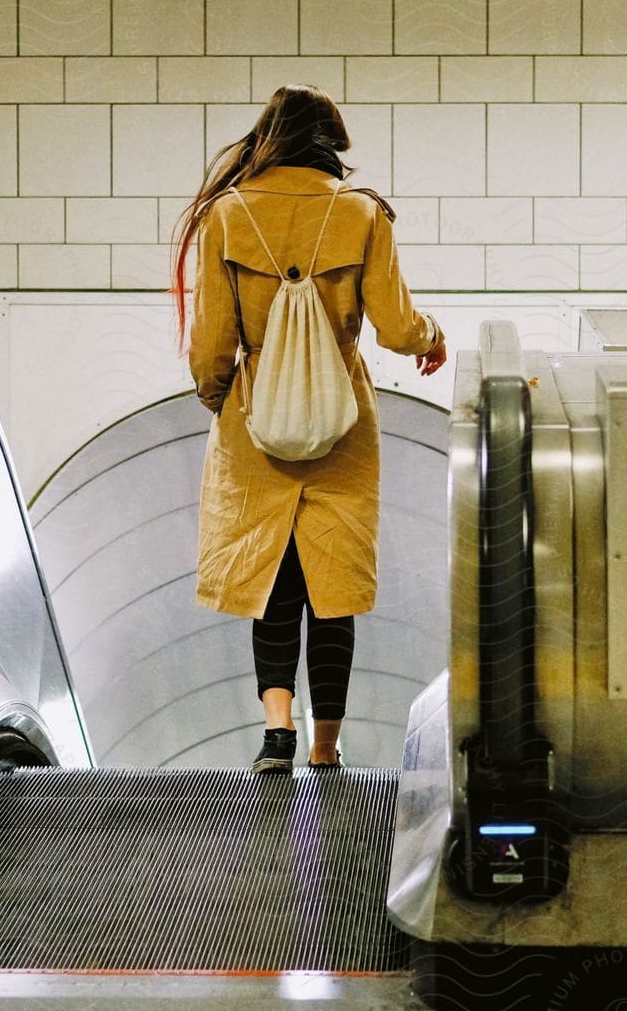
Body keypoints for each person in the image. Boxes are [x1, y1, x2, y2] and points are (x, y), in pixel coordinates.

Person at [172, 85, 446, 773]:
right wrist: (430, 337)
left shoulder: (227, 217)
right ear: (332, 142)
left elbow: (209, 343)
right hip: (341, 422)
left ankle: (277, 732)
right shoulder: (361, 214)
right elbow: (394, 324)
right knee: (332, 589)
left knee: (272, 579)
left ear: (268, 137)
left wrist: (224, 404)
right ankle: (327, 746)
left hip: (254, 418)